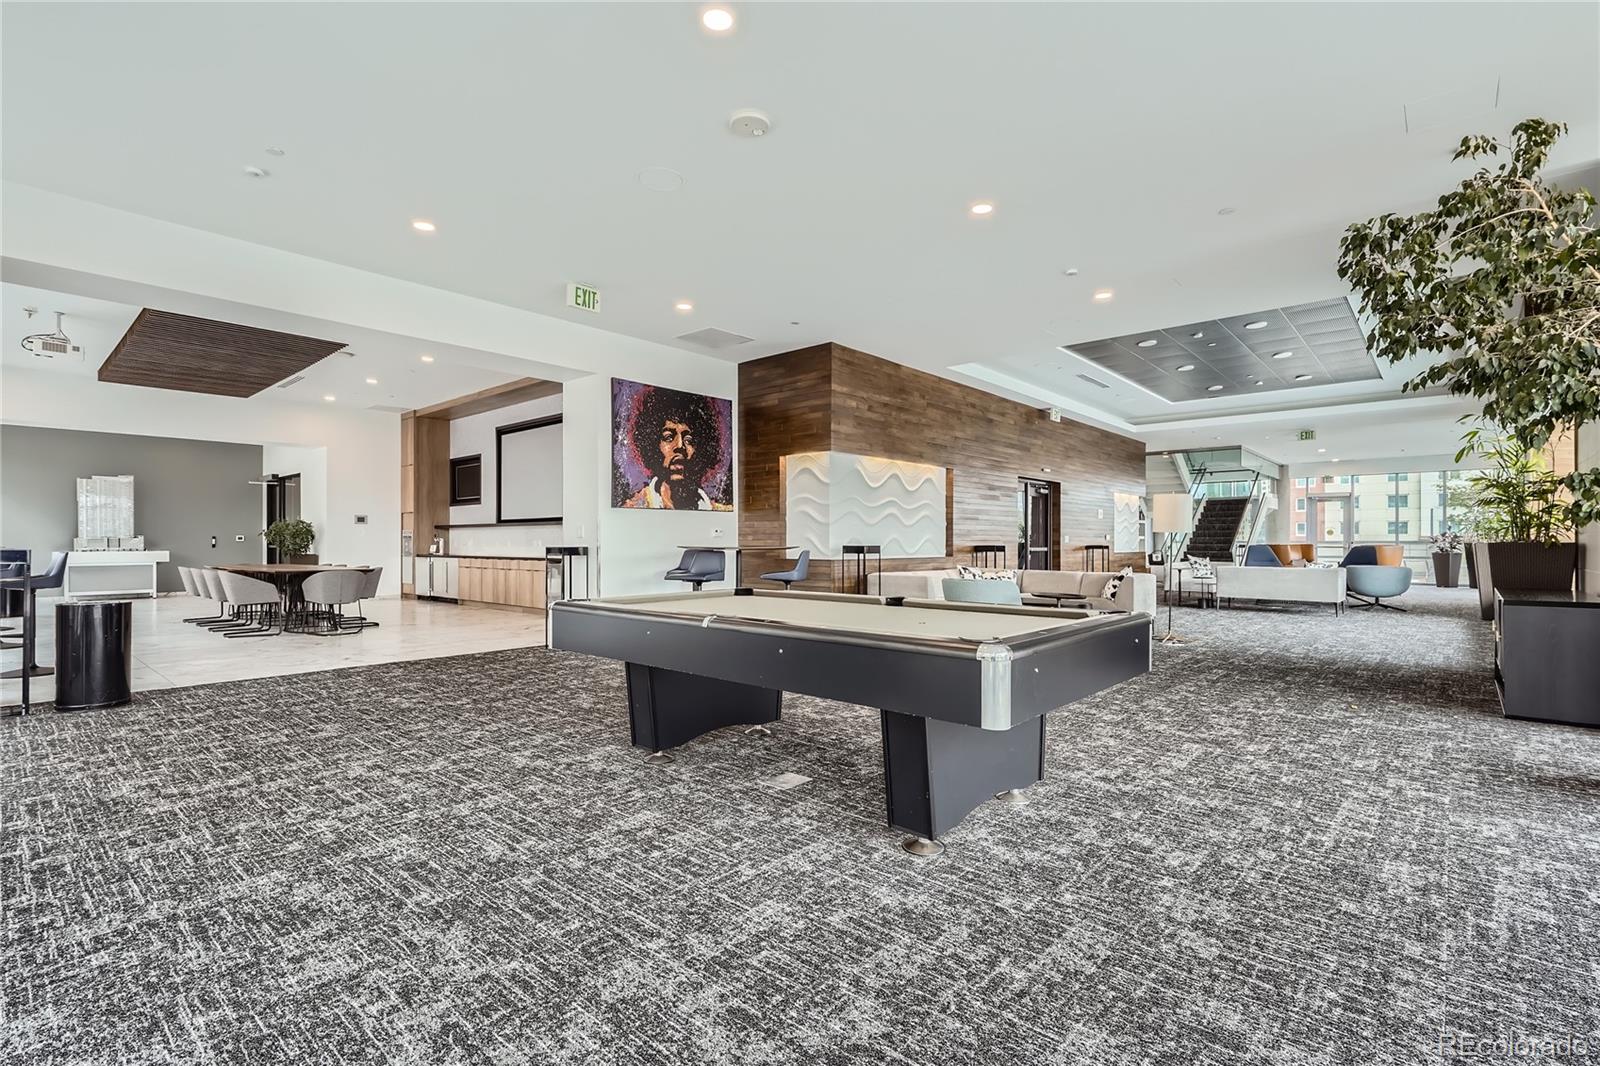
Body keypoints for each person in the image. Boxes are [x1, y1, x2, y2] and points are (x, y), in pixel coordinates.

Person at [621, 388, 732, 510]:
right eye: (668, 437)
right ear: (652, 444)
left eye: (688, 440)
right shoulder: (634, 507)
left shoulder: (720, 511)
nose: (680, 446)